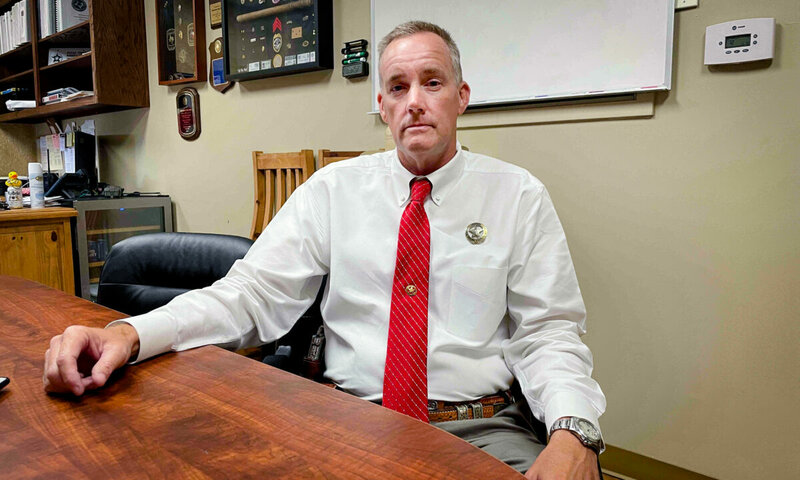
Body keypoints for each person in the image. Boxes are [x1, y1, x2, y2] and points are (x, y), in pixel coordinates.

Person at [44, 21, 606, 479]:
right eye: (398, 87)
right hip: (347, 419)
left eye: (432, 83)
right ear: (382, 105)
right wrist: (128, 333)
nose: (414, 101)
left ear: (461, 98)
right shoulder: (334, 190)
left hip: (479, 427)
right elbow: (250, 295)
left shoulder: (518, 196)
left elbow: (548, 332)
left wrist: (573, 432)